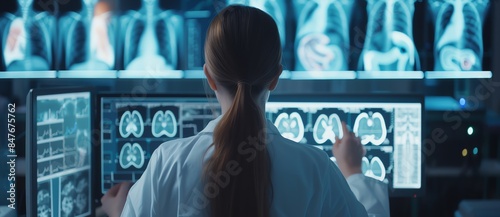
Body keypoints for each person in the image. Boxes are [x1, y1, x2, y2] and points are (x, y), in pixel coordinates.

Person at [101, 5, 387, 217]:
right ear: (276, 77)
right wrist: (354, 172)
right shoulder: (314, 168)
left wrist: (118, 213)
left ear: (209, 77)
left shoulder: (168, 164)